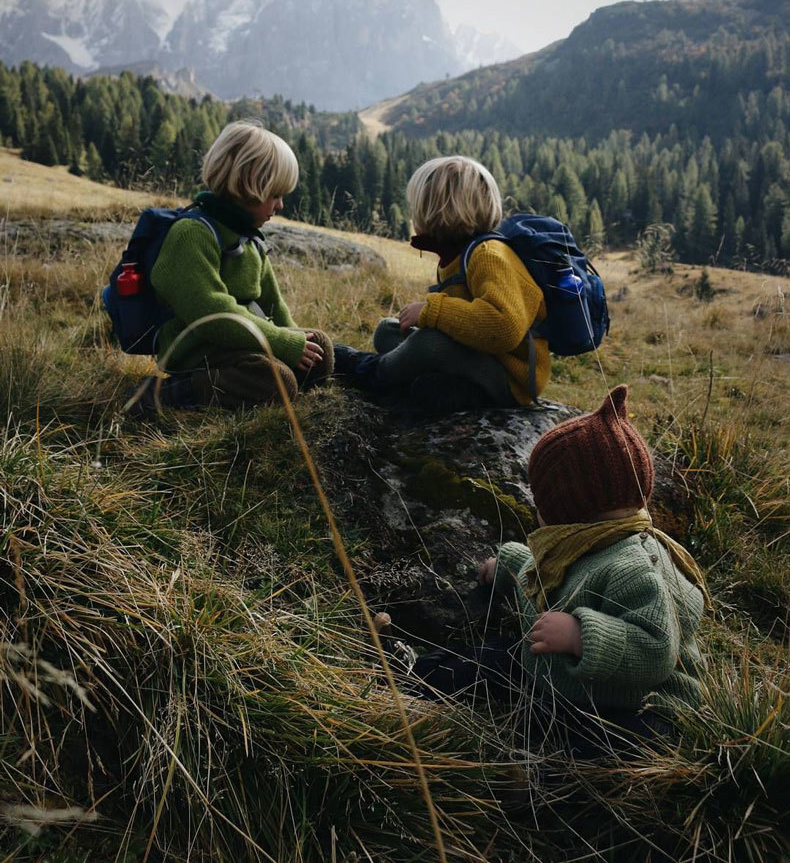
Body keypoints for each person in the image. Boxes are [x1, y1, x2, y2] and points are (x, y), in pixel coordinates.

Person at [387, 385, 710, 756]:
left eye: (541, 500)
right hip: (568, 680)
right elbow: (555, 577)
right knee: (493, 660)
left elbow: (656, 650)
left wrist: (581, 636)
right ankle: (408, 670)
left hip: (640, 707)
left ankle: (540, 779)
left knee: (608, 750)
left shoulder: (635, 567)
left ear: (569, 507)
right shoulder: (587, 540)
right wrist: (510, 565)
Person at [131, 120, 334, 414]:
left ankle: (281, 396)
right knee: (274, 380)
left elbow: (274, 305)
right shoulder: (192, 234)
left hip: (239, 346)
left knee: (320, 347)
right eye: (274, 195)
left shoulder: (249, 239)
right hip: (200, 350)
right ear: (246, 187)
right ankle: (165, 394)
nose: (279, 206)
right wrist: (281, 343)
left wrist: (293, 342)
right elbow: (212, 313)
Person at [334, 155, 550, 414]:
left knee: (428, 343)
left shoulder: (488, 255)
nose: (414, 214)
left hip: (510, 379)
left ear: (440, 209)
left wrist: (432, 311)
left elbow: (503, 328)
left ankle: (370, 371)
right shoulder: (457, 255)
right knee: (387, 331)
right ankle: (442, 388)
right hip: (477, 357)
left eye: (418, 206)